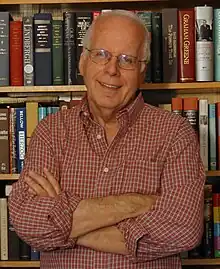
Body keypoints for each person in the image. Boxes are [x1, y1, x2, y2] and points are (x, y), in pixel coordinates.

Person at [8, 10, 205, 269]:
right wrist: (134, 203)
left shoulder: (175, 133)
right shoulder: (50, 132)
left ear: (142, 71)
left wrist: (66, 226)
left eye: (126, 60)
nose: (112, 70)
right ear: (82, 63)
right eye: (101, 55)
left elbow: (183, 230)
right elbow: (28, 222)